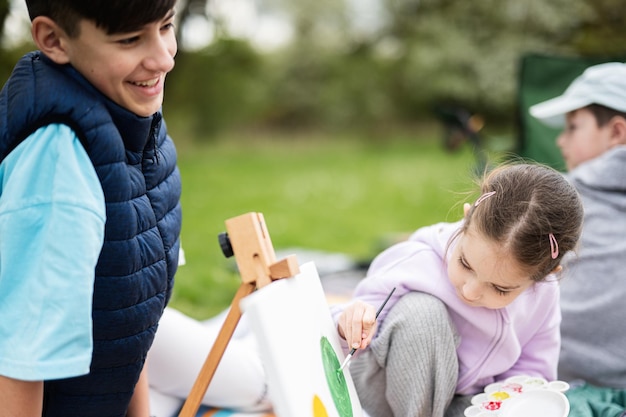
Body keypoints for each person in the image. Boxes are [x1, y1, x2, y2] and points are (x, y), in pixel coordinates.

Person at [0, 1, 182, 416]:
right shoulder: (58, 169)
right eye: (130, 39)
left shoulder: (129, 122)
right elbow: (17, 363)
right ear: (53, 40)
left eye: (166, 26)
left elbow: (130, 320)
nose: (164, 57)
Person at [332, 162, 584, 417]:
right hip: (387, 395)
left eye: (499, 288)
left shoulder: (542, 296)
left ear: (544, 277)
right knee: (422, 313)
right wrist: (350, 325)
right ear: (466, 219)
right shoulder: (417, 260)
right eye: (465, 263)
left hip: (463, 402)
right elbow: (344, 331)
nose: (471, 291)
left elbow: (532, 371)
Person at [529, 62, 626, 389]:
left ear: (616, 132)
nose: (560, 141)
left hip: (557, 385)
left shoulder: (559, 201)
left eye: (572, 127)